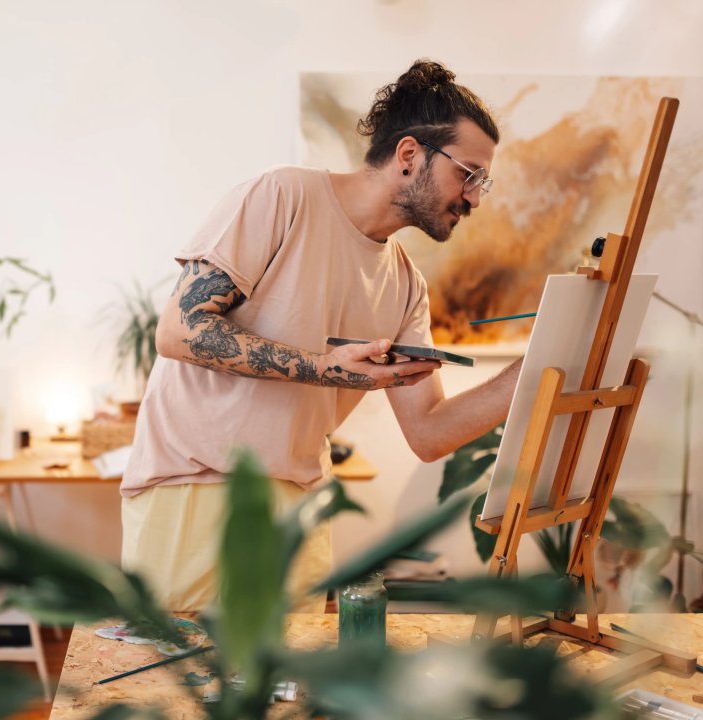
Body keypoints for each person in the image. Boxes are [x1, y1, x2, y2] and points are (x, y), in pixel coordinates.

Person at [120, 59, 522, 612]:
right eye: (468, 174)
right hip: (194, 486)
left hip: (300, 507)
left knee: (287, 697)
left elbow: (428, 434)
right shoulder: (282, 195)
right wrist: (326, 369)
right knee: (172, 692)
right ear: (409, 156)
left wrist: (531, 374)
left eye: (483, 182)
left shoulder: (406, 285)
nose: (475, 198)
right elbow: (181, 329)